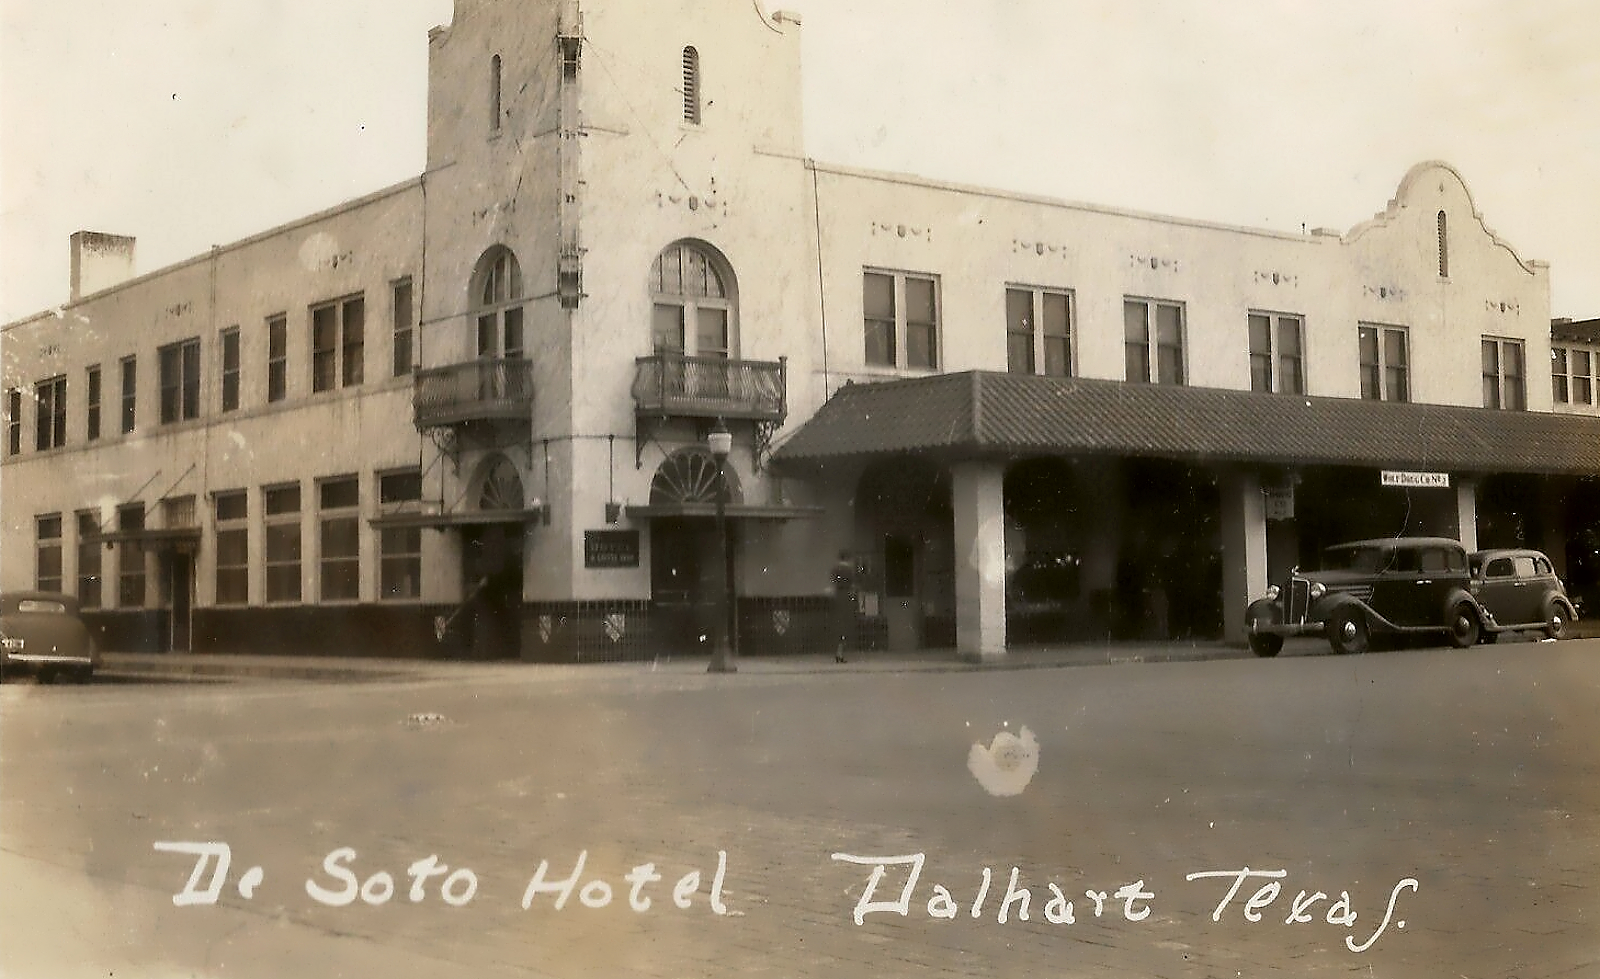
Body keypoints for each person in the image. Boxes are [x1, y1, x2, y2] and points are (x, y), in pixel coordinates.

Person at [829, 551, 857, 663]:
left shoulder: (835, 570)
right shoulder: (849, 571)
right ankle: (840, 653)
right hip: (846, 598)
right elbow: (853, 585)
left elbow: (833, 581)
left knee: (838, 625)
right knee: (845, 626)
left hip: (837, 597)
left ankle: (838, 652)